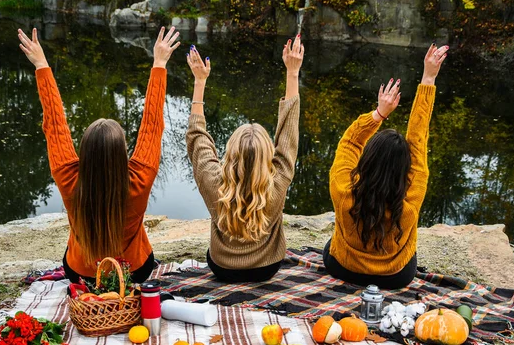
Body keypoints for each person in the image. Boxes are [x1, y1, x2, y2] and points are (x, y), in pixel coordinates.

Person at [17, 26, 181, 283]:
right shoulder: (140, 178)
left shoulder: (69, 179)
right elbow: (152, 125)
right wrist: (159, 64)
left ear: (85, 152)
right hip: (134, 273)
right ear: (121, 154)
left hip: (82, 274)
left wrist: (42, 65)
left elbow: (54, 125)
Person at [323, 44, 448, 289]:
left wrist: (379, 114)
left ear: (366, 159)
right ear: (405, 169)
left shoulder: (342, 189)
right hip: (395, 276)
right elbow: (418, 140)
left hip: (344, 269)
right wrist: (428, 77)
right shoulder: (412, 197)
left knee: (331, 246)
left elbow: (349, 142)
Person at [185, 36, 304, 282]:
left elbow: (198, 139)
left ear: (230, 154)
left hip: (223, 268)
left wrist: (199, 82)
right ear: (267, 157)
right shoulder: (277, 182)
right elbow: (288, 137)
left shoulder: (214, 181)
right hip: (267, 267)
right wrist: (292, 73)